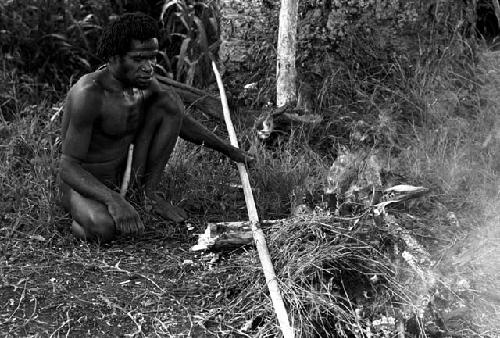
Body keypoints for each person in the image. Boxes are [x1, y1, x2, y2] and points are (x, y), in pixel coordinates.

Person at [59, 12, 251, 243]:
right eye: (139, 59)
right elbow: (68, 167)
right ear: (114, 57)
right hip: (84, 185)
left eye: (152, 58)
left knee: (169, 102)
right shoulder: (88, 93)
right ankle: (79, 217)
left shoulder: (146, 86)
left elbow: (181, 121)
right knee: (104, 229)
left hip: (123, 177)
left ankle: (148, 194)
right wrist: (114, 201)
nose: (148, 67)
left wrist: (229, 150)